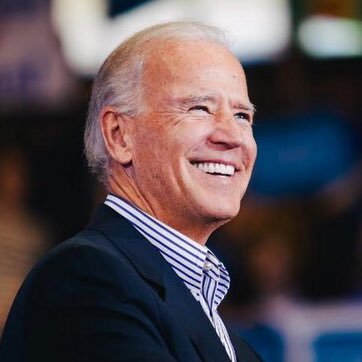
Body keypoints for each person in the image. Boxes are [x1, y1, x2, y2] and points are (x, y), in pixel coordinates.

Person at [0, 22, 259, 361]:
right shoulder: (86, 279)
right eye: (199, 108)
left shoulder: (236, 347)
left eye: (242, 115)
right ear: (119, 135)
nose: (232, 136)